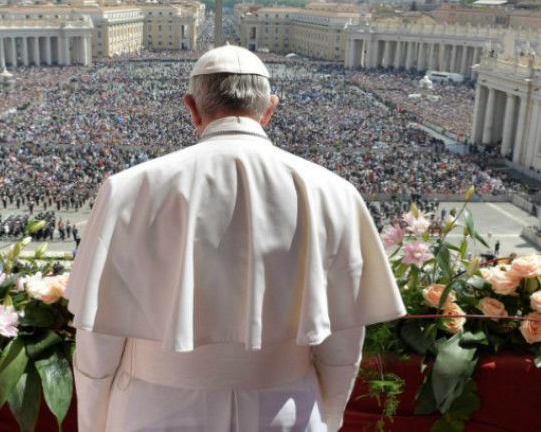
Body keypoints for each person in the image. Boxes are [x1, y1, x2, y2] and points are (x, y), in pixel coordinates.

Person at [65, 45, 407, 432]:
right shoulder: (335, 192)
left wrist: (93, 422)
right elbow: (343, 345)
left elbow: (98, 342)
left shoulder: (128, 189)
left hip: (155, 410)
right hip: (286, 409)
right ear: (270, 109)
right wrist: (326, 415)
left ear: (192, 108)